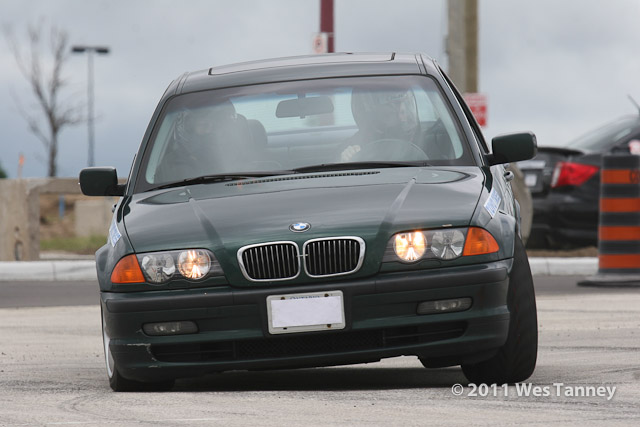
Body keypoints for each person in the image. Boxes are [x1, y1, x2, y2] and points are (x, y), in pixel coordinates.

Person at [340, 87, 421, 162]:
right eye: (391, 103)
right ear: (372, 109)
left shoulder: (419, 137)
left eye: (405, 102)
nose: (402, 109)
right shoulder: (352, 145)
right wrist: (346, 160)